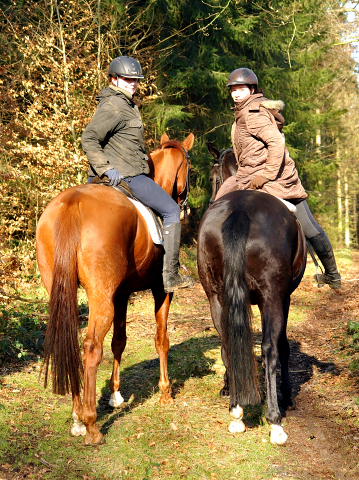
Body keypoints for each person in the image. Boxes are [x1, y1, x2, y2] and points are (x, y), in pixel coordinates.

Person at [215, 67, 341, 289]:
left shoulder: (253, 114)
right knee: (216, 205)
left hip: (277, 178)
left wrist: (266, 175)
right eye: (233, 89)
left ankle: (332, 274)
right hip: (246, 176)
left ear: (252, 89)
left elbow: (276, 144)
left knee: (310, 228)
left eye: (240, 89)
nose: (235, 93)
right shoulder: (242, 114)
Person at [81, 56, 192, 293]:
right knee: (172, 210)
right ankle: (170, 275)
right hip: (126, 175)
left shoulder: (125, 104)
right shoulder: (114, 106)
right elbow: (89, 138)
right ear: (114, 79)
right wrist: (105, 168)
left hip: (109, 174)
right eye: (127, 79)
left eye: (136, 79)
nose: (133, 83)